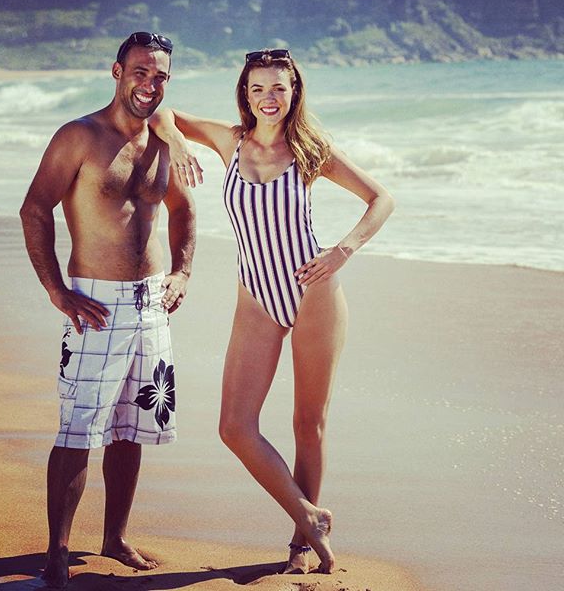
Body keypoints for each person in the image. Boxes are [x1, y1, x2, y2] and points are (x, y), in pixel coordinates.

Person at [150, 48, 394, 574]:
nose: (268, 98)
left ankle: (302, 547)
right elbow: (163, 114)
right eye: (258, 88)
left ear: (294, 91)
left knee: (308, 422)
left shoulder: (310, 150)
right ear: (245, 92)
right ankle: (311, 516)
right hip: (256, 297)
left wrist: (342, 251)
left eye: (279, 88)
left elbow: (381, 199)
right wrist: (177, 143)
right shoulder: (229, 141)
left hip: (312, 294)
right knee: (234, 427)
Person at [20, 32, 195, 588]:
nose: (150, 84)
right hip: (94, 303)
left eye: (160, 76)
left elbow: (184, 210)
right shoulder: (80, 136)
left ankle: (114, 537)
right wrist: (56, 290)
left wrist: (182, 272)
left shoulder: (163, 139)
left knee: (130, 427)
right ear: (117, 72)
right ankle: (57, 551)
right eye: (140, 72)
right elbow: (34, 209)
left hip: (151, 304)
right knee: (78, 428)